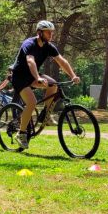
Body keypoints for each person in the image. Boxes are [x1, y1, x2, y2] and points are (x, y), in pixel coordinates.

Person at [10, 20, 80, 149]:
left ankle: (45, 115)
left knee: (53, 85)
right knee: (31, 102)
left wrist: (73, 75)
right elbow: (30, 61)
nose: (51, 35)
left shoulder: (49, 46)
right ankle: (21, 133)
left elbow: (61, 61)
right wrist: (38, 78)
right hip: (19, 77)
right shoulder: (29, 44)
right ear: (39, 32)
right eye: (48, 32)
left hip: (32, 76)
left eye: (51, 32)